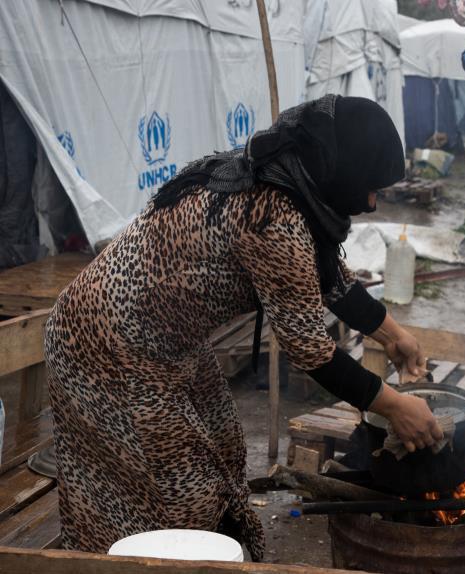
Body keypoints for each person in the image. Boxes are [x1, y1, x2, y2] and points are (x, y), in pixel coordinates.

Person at [44, 95, 443, 561]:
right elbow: (310, 350)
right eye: (370, 188)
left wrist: (394, 335)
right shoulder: (271, 216)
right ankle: (119, 564)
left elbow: (328, 278)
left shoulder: (290, 178)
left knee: (224, 447)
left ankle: (214, 555)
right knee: (174, 487)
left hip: (170, 344)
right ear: (340, 168)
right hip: (104, 342)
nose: (372, 203)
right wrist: (395, 407)